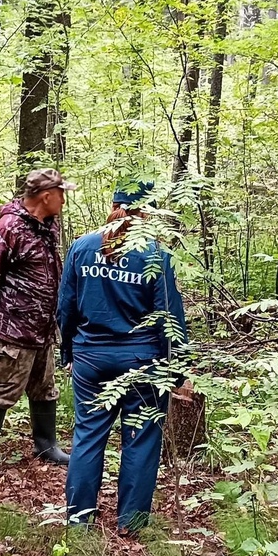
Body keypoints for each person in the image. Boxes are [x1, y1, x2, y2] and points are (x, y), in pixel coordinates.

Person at [58, 180, 187, 533]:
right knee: (142, 439)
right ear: (147, 211)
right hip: (143, 361)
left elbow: (65, 307)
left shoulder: (82, 247)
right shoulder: (155, 254)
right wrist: (177, 370)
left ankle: (78, 519)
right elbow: (170, 317)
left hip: (91, 360)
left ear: (113, 203)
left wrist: (68, 351)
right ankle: (131, 520)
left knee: (87, 435)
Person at [0, 168, 76, 475]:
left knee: (44, 387)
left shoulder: (47, 227)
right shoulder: (9, 228)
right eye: (62, 194)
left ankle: (46, 445)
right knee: (2, 390)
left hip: (42, 328)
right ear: (47, 196)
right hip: (13, 329)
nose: (65, 200)